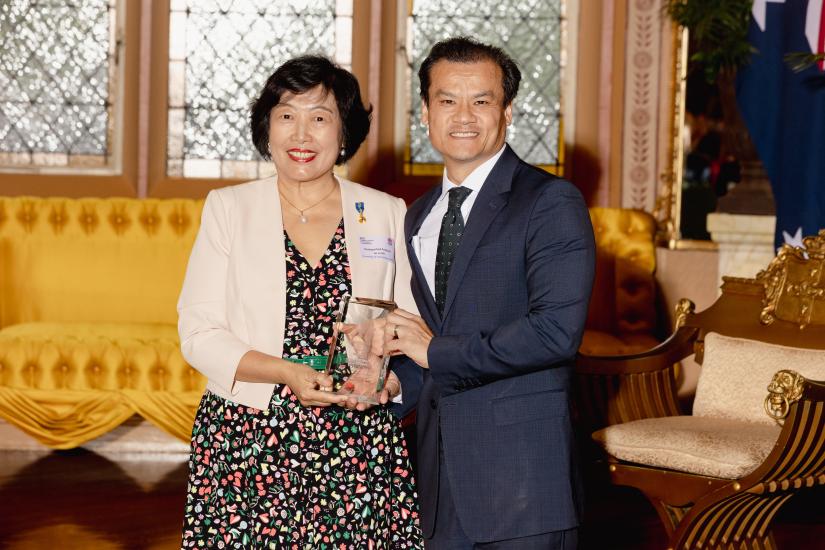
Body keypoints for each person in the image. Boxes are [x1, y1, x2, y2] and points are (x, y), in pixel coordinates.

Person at [177, 55, 423, 548]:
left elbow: (410, 322)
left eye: (320, 116)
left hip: (358, 438)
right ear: (266, 128)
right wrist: (287, 372)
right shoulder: (229, 208)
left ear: (344, 131)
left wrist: (387, 380)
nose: (302, 134)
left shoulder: (384, 211)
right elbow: (198, 333)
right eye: (287, 115)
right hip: (249, 437)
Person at [385, 37, 596, 549]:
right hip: (440, 481)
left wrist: (431, 350)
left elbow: (555, 333)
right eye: (447, 100)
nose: (464, 115)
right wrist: (393, 387)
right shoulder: (419, 215)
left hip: (525, 483)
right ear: (426, 113)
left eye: (481, 100)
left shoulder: (550, 201)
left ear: (506, 112)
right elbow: (438, 343)